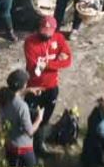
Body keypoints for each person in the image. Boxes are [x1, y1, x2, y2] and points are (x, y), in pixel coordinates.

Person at [0, 69, 44, 167]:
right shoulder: (22, 107)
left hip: (10, 144)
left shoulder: (3, 98)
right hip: (24, 147)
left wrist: (27, 91)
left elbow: (15, 97)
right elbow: (30, 131)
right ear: (22, 85)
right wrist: (39, 119)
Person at [23, 15, 72, 155]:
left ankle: (39, 144)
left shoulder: (59, 39)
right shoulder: (30, 42)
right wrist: (57, 60)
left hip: (51, 87)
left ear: (54, 30)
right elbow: (34, 66)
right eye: (43, 31)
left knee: (45, 119)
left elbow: (68, 61)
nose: (45, 34)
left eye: (48, 32)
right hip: (34, 88)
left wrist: (49, 64)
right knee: (30, 118)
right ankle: (27, 146)